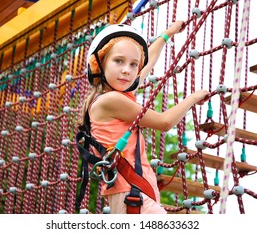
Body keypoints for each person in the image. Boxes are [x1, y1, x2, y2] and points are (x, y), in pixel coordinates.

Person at [77, 20, 209, 214]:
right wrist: (194, 97)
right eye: (118, 61)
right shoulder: (111, 100)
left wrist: (167, 34)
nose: (127, 70)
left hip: (137, 190)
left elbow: (147, 64)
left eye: (133, 65)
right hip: (131, 193)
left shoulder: (115, 93)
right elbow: (164, 122)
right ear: (100, 63)